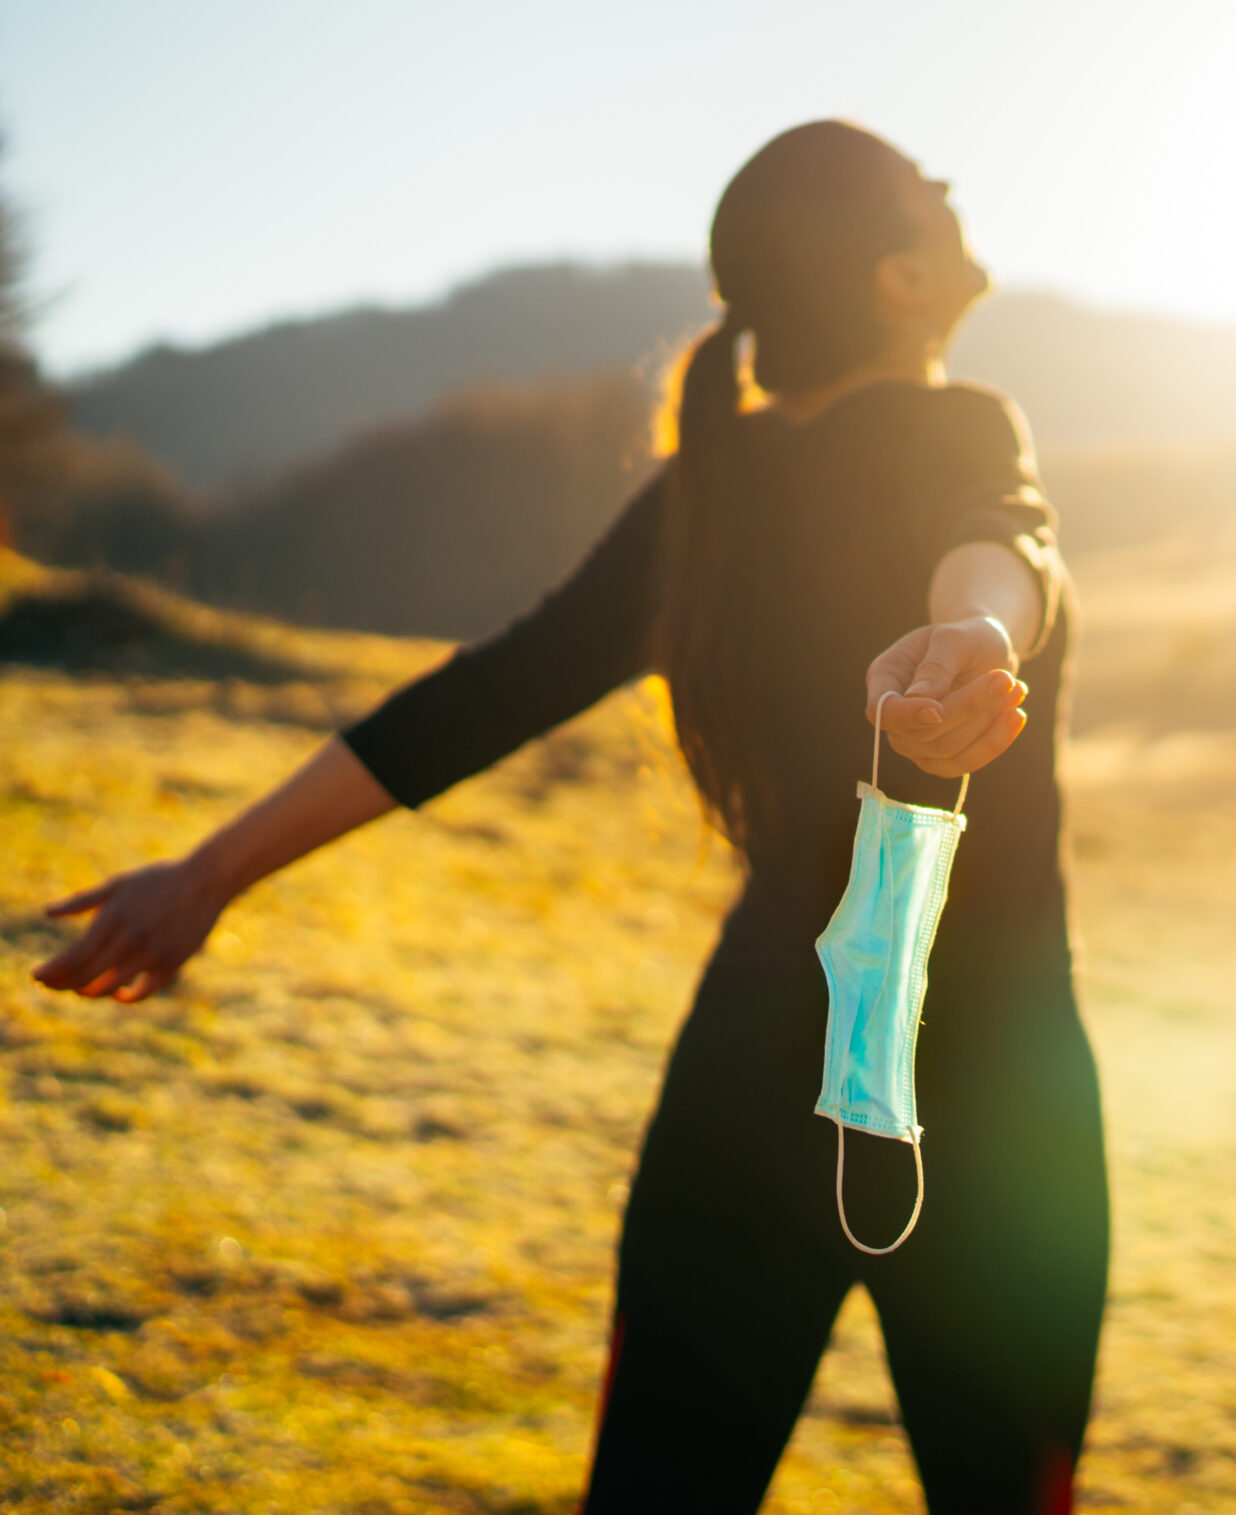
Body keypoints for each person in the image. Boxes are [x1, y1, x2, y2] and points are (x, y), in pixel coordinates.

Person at [32, 121, 1111, 1514]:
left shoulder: (703, 495)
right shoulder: (946, 423)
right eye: (926, 188)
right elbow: (1005, 528)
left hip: (744, 1079)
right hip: (995, 1092)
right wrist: (975, 624)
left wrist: (212, 872)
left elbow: (481, 696)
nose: (955, 191)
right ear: (900, 280)